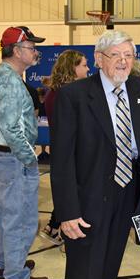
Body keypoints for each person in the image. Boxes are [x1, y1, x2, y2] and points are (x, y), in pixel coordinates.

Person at [50, 30, 140, 279]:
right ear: (98, 59)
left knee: (108, 270)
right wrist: (67, 212)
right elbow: (61, 161)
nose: (122, 61)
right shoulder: (74, 96)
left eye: (128, 55)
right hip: (87, 200)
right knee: (84, 276)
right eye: (115, 54)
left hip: (127, 194)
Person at [0, 26, 49, 279]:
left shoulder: (0, 77)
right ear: (18, 50)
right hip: (13, 159)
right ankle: (15, 276)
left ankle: (6, 264)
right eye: (32, 47)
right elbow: (12, 128)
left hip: (1, 157)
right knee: (19, 218)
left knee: (6, 215)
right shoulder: (9, 81)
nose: (35, 52)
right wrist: (29, 158)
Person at [39, 49, 89, 246]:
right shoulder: (66, 95)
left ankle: (54, 225)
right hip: (72, 151)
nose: (88, 68)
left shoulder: (56, 92)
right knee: (72, 192)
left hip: (68, 149)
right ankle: (61, 228)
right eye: (84, 65)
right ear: (73, 67)